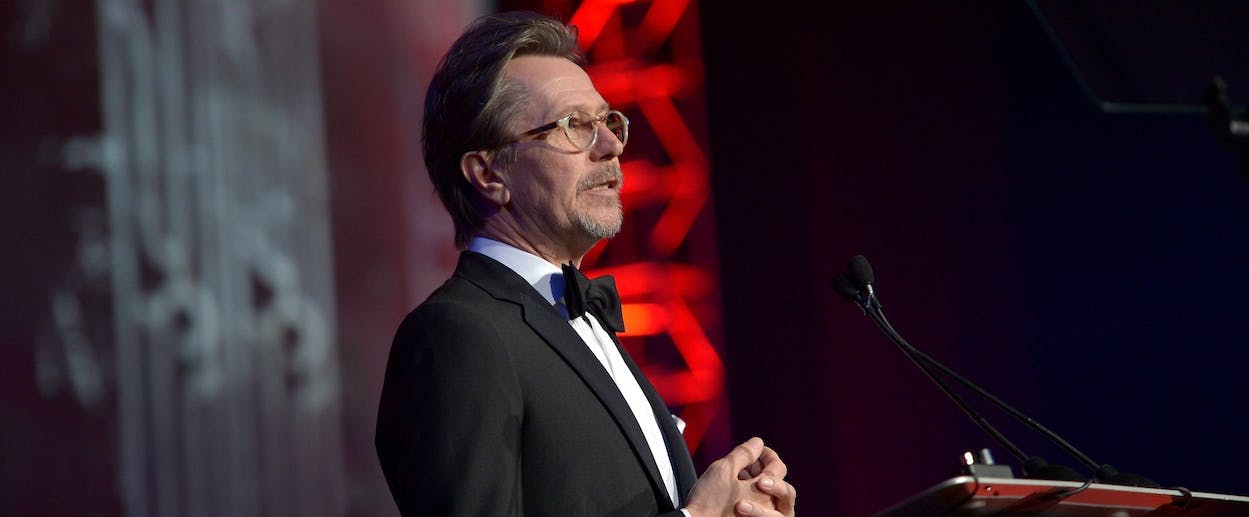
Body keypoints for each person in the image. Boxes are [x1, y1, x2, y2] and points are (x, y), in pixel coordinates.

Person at [374, 11, 797, 516]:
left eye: (607, 122)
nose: (612, 146)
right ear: (488, 174)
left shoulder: (584, 323)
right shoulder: (456, 335)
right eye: (574, 126)